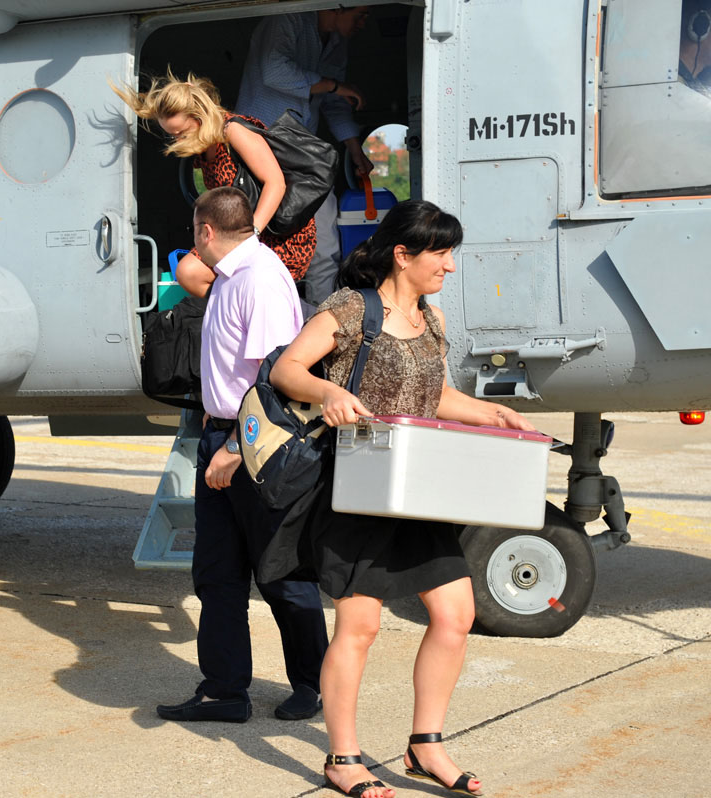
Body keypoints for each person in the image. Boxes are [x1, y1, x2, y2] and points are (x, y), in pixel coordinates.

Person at [267, 200, 537, 797]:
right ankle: (342, 758)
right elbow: (288, 370)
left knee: (456, 615)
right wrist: (327, 393)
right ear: (402, 254)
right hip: (360, 489)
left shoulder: (431, 319)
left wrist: (492, 414)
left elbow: (434, 395)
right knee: (360, 626)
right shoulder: (350, 309)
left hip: (418, 490)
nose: (449, 266)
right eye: (441, 253)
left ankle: (425, 746)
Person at [155, 187, 329, 723]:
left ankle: (315, 685)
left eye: (193, 232)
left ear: (206, 231)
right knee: (218, 575)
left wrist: (236, 446)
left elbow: (275, 378)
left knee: (282, 575)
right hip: (222, 438)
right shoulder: (230, 277)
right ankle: (224, 690)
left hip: (255, 443)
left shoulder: (260, 279)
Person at [113, 71, 317, 298]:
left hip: (273, 235)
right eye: (172, 136)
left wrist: (251, 235)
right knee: (188, 273)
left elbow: (276, 183)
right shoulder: (204, 142)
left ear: (200, 116)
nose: (178, 140)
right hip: (233, 235)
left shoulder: (233, 131)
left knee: (191, 272)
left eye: (181, 133)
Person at [235, 7, 373, 305]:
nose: (364, 23)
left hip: (302, 153)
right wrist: (332, 85)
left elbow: (336, 100)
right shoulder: (287, 17)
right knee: (263, 244)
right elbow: (274, 71)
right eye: (360, 14)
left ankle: (325, 318)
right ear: (338, 6)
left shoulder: (337, 43)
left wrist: (354, 149)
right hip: (261, 146)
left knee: (325, 243)